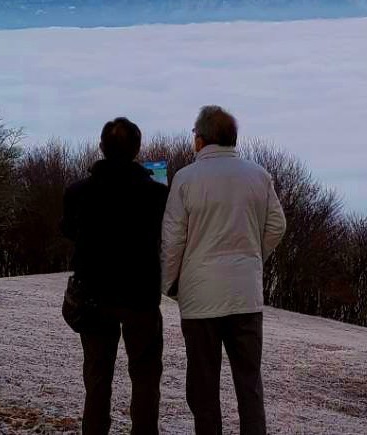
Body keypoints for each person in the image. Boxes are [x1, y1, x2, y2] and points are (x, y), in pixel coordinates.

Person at [162, 106, 286, 435]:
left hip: (200, 298)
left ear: (201, 140)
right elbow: (277, 226)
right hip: (245, 296)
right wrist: (251, 257)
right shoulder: (259, 175)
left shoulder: (185, 179)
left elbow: (173, 239)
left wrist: (166, 283)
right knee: (249, 384)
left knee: (203, 387)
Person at [61, 117, 169, 435]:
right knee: (146, 375)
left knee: (97, 376)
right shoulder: (156, 195)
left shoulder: (78, 192)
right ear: (137, 150)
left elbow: (67, 229)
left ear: (101, 147)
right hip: (141, 295)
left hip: (94, 295)